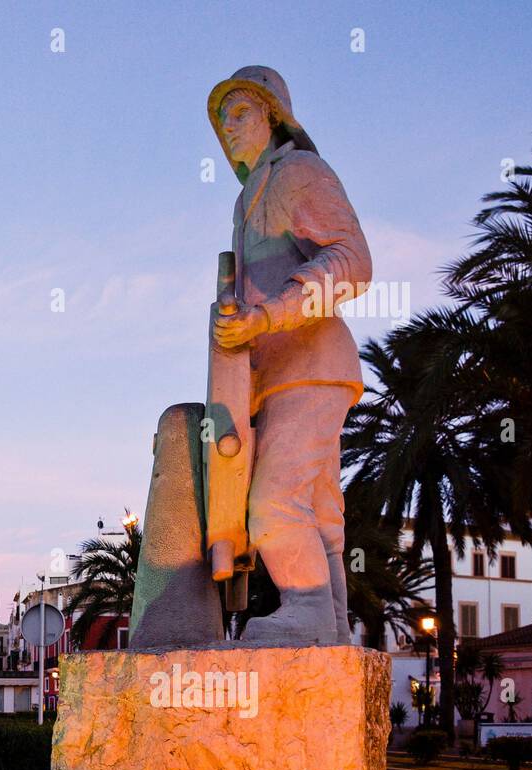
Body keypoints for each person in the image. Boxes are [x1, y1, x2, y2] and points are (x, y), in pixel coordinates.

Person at [207, 66, 370, 644]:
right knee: (321, 513)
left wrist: (268, 315)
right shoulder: (245, 199)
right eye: (222, 119)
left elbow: (352, 262)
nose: (228, 127)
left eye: (241, 112)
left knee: (274, 501)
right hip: (277, 376)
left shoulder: (298, 172)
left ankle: (306, 608)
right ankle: (331, 628)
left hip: (311, 365)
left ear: (273, 116)